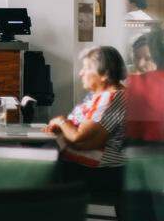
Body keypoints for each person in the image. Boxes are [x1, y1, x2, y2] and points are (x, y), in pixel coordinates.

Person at [44, 45, 126, 193]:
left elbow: (79, 139)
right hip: (95, 166)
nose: (81, 73)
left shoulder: (110, 98)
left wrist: (61, 122)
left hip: (104, 173)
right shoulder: (99, 95)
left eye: (87, 68)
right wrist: (64, 129)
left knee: (38, 163)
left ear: (104, 74)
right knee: (38, 154)